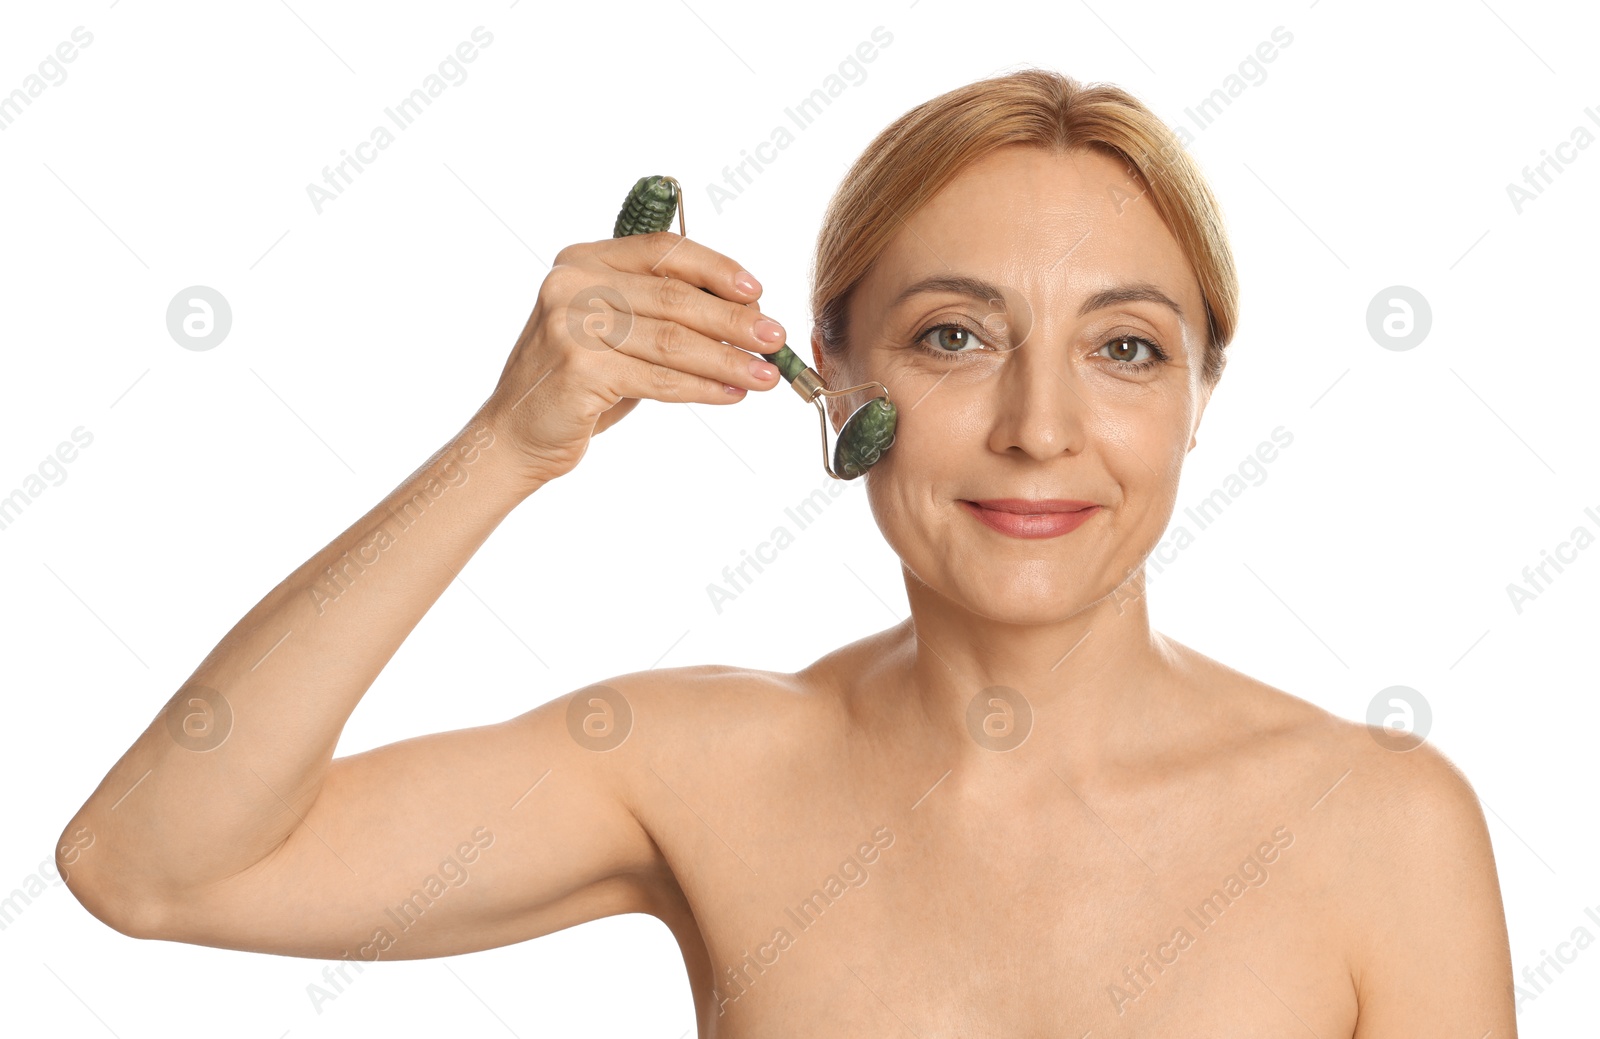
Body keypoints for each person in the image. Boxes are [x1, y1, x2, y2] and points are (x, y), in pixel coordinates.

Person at [57, 68, 1515, 1035]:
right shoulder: (694, 765)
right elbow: (152, 866)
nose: (1039, 426)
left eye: (1126, 348)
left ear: (1202, 397)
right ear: (828, 368)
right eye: (956, 336)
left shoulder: (1378, 825)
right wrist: (514, 442)